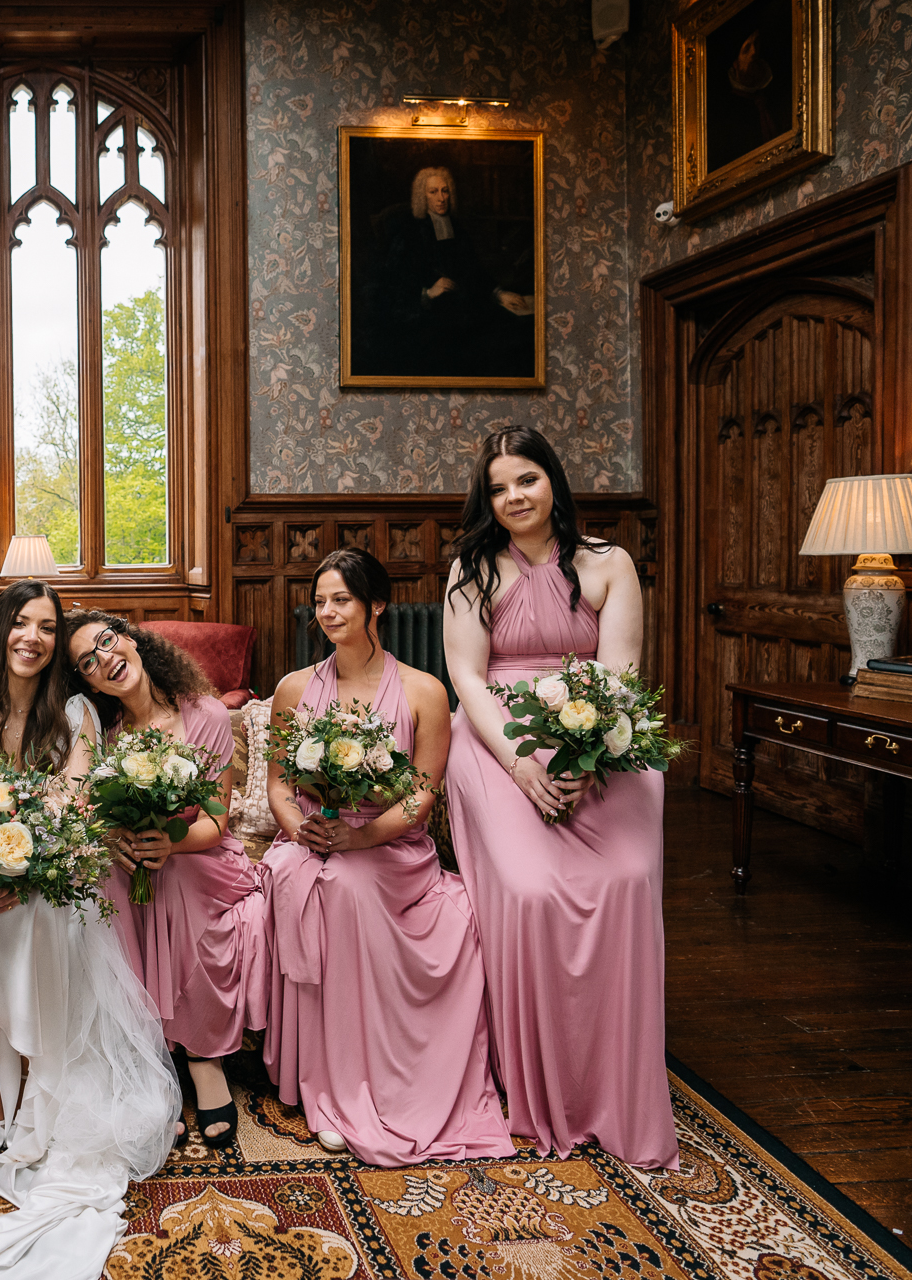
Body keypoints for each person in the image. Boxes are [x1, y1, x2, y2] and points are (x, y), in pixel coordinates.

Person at [0, 581, 178, 1280]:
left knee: (35, 911)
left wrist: (24, 866)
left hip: (51, 866)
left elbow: (78, 806)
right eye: (19, 623)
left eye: (46, 627)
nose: (32, 636)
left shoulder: (77, 710)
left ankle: (44, 1069)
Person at [442, 424, 679, 1170]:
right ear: (487, 498)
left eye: (527, 480)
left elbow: (619, 677)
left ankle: (619, 1082)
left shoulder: (609, 564)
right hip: (497, 742)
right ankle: (539, 1084)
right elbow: (469, 681)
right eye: (499, 486)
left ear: (554, 482)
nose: (514, 496)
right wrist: (523, 766)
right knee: (531, 887)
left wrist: (582, 751)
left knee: (626, 878)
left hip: (599, 740)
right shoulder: (472, 570)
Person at [261, 547, 513, 1166]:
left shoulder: (425, 691)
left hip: (391, 846)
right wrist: (300, 829)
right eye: (320, 601)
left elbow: (422, 795)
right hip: (313, 837)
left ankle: (376, 1081)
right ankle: (329, 1077)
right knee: (301, 878)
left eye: (341, 599)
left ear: (376, 605)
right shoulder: (294, 690)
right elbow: (275, 783)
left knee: (348, 884)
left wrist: (358, 838)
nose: (327, 612)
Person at [63, 610, 270, 1152]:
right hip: (145, 860)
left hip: (201, 855)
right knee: (116, 877)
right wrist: (123, 841)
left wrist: (168, 843)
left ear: (130, 640)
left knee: (171, 874)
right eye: (89, 661)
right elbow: (98, 813)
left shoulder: (205, 714)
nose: (104, 659)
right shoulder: (108, 735)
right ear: (87, 681)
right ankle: (153, 1053)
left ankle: (202, 1059)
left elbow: (217, 819)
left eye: (107, 642)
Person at [365, 166, 532, 379]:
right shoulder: (408, 232)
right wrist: (427, 292)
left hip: (461, 306)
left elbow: (473, 269)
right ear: (421, 196)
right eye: (433, 192)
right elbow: (392, 282)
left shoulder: (457, 228)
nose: (441, 198)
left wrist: (499, 293)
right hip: (425, 314)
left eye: (445, 191)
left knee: (509, 330)